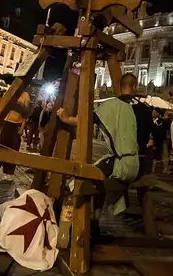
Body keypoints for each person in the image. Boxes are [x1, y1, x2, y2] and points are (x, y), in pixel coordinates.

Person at [58, 73, 139, 227]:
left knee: (85, 182)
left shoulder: (111, 106)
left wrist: (66, 118)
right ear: (134, 87)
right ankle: (95, 219)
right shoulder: (139, 109)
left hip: (122, 164)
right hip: (136, 163)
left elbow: (88, 120)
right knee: (98, 173)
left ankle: (78, 218)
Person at [0, 87, 30, 181]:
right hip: (5, 122)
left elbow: (25, 113)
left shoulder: (25, 95)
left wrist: (22, 126)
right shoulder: (10, 92)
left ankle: (8, 172)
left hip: (16, 124)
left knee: (13, 148)